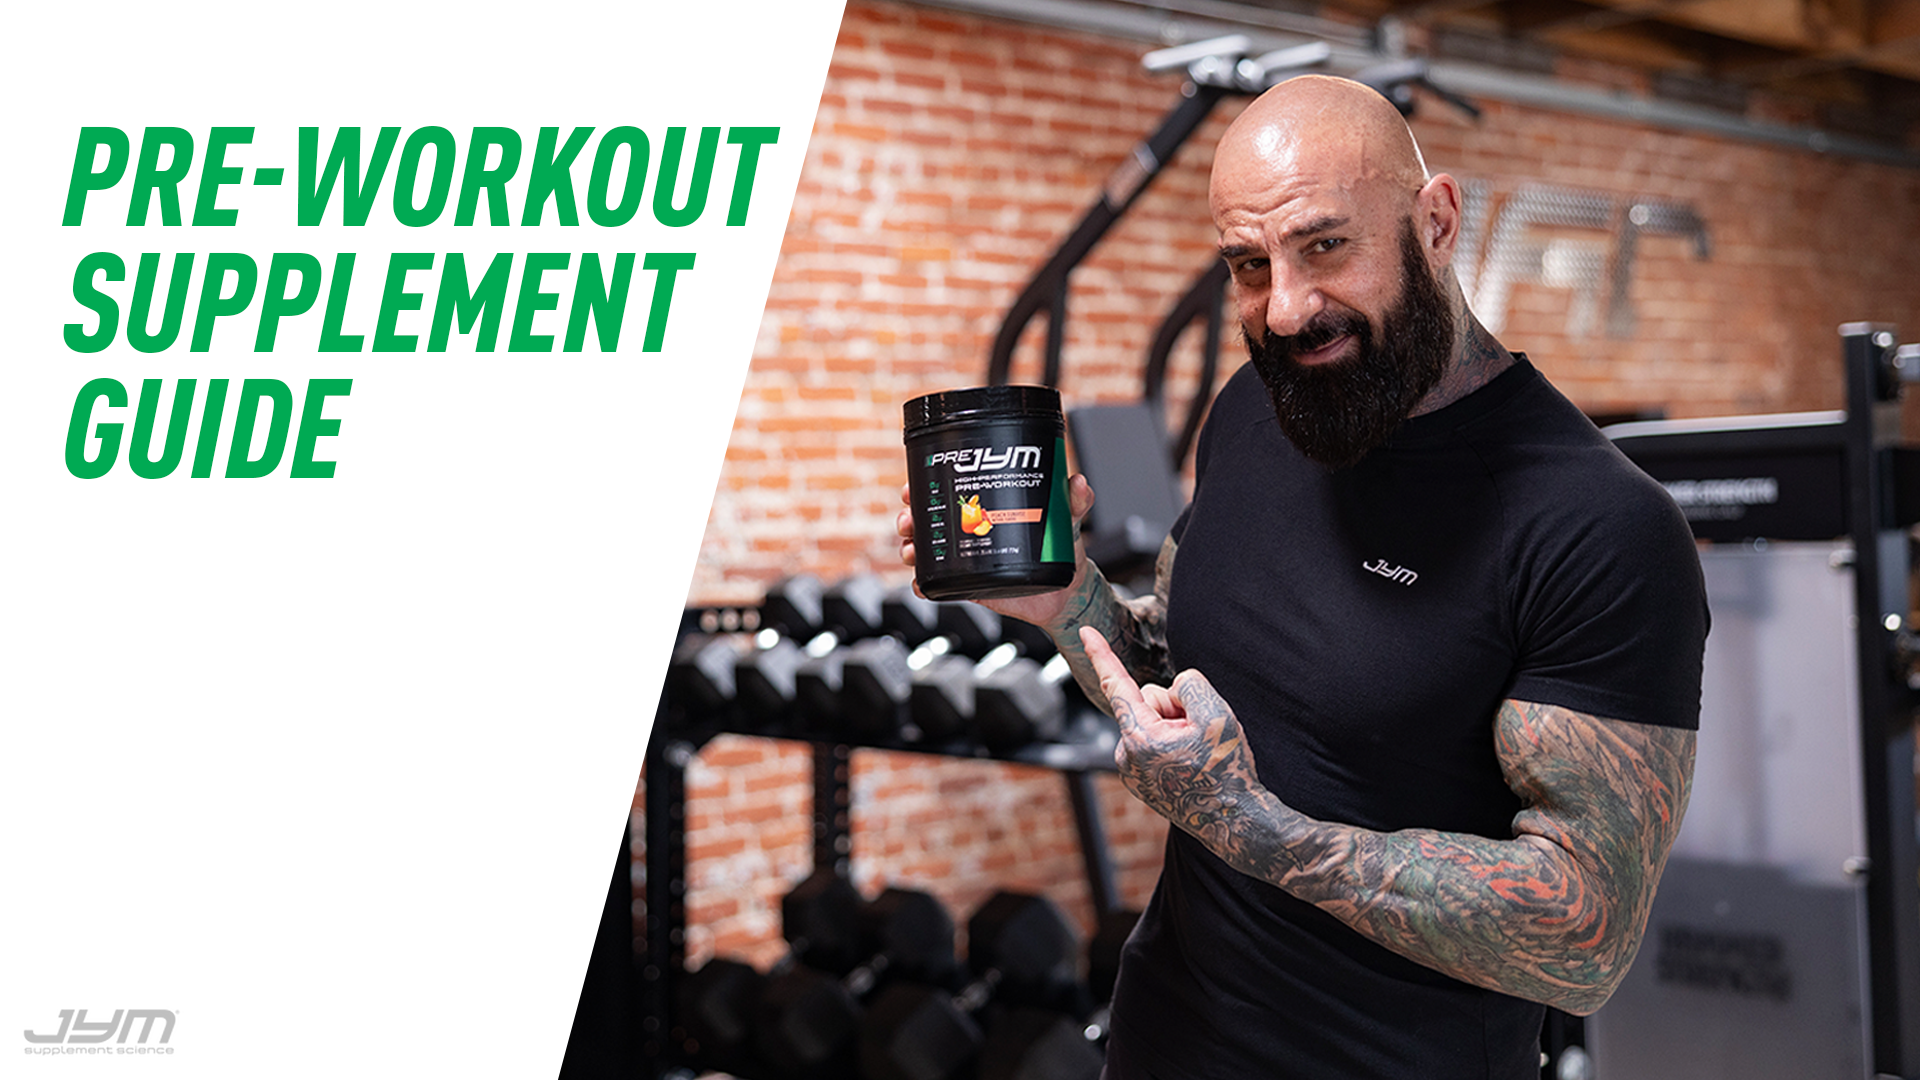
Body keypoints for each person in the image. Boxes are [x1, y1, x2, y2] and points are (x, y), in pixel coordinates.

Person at [897, 74, 1706, 1079]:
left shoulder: (1599, 525)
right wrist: (1065, 602)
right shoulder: (1256, 409)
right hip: (1165, 1041)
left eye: (1325, 246)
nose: (1284, 309)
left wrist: (1256, 830)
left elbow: (1584, 935)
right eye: (1247, 264)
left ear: (1437, 223)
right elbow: (1187, 670)